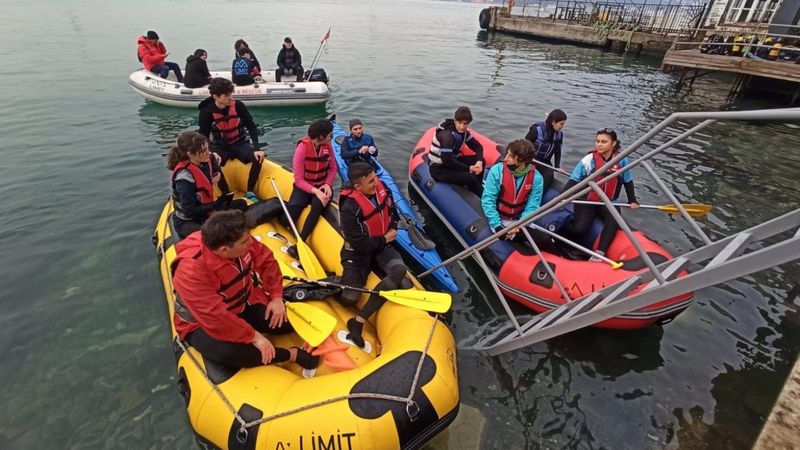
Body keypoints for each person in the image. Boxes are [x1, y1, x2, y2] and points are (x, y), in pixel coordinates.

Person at [171, 210, 320, 369]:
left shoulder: (241, 241)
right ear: (224, 250)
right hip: (201, 323)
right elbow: (216, 318)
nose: (251, 243)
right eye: (245, 242)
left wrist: (276, 297)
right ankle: (291, 354)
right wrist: (254, 337)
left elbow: (267, 261)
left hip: (242, 303)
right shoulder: (191, 271)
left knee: (285, 323)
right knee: (232, 354)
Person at [337, 162, 413, 348]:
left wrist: (392, 229)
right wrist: (385, 239)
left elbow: (393, 213)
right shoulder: (349, 208)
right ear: (357, 187)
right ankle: (336, 281)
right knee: (349, 299)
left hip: (381, 246)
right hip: (358, 252)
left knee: (399, 271)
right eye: (371, 181)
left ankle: (359, 320)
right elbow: (360, 244)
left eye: (375, 177)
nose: (376, 182)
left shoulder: (382, 189)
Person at [562, 128, 639, 260]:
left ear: (613, 143)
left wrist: (632, 199)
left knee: (614, 220)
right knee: (579, 229)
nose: (599, 144)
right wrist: (562, 197)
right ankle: (559, 229)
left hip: (609, 201)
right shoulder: (589, 159)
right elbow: (574, 180)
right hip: (588, 200)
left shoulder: (621, 160)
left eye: (604, 142)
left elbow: (628, 181)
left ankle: (599, 254)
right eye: (597, 141)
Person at [198, 78, 265, 194]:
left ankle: (250, 191)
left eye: (231, 94)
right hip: (220, 147)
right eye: (226, 95)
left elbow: (251, 126)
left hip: (240, 144)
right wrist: (211, 152)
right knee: (211, 162)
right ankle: (226, 193)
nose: (230, 98)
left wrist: (257, 148)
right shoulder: (206, 113)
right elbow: (204, 136)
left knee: (258, 158)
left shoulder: (238, 106)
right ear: (215, 96)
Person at [167, 131, 238, 239]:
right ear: (190, 154)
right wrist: (216, 205)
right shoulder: (184, 179)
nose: (208, 152)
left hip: (206, 212)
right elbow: (189, 210)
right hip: (188, 220)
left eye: (207, 148)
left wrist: (217, 173)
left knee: (241, 204)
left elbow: (213, 159)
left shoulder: (204, 160)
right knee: (217, 236)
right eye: (204, 150)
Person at [481, 139, 544, 241]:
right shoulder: (497, 171)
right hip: (499, 218)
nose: (505, 159)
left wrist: (519, 224)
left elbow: (533, 206)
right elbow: (488, 200)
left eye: (510, 156)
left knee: (543, 239)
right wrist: (497, 226)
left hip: (519, 219)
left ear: (522, 160)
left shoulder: (537, 178)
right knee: (539, 239)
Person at [286, 119, 336, 245]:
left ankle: (301, 241)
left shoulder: (327, 147)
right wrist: (315, 191)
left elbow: (333, 168)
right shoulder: (302, 148)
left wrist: (328, 183)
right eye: (330, 135)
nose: (331, 138)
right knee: (289, 218)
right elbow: (298, 180)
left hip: (322, 185)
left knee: (318, 206)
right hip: (304, 187)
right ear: (321, 136)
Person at [428, 106, 485, 196]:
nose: (462, 127)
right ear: (455, 120)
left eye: (465, 124)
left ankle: (477, 189)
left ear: (469, 123)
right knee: (470, 178)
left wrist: (479, 162)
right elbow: (447, 161)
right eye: (460, 123)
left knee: (481, 161)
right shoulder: (447, 135)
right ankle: (481, 198)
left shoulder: (464, 133)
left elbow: (478, 147)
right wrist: (468, 168)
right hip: (439, 169)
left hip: (451, 163)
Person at [524, 109, 568, 191]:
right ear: (553, 122)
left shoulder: (559, 134)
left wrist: (557, 166)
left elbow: (558, 150)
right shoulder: (536, 130)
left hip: (545, 162)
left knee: (549, 175)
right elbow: (524, 145)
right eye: (561, 124)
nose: (563, 126)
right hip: (531, 159)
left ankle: (538, 197)